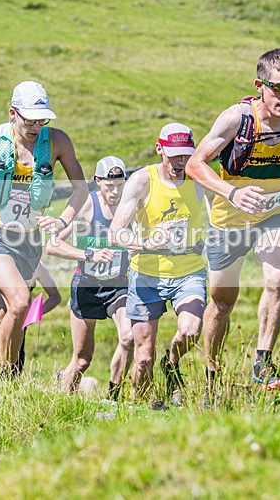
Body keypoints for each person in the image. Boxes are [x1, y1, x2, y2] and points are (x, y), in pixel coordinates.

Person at [186, 48, 280, 396]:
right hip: (229, 219)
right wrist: (231, 193)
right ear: (259, 85)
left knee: (278, 280)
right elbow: (194, 165)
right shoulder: (236, 119)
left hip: (276, 212)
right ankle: (211, 375)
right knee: (222, 301)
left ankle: (262, 361)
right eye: (279, 88)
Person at [0, 80, 88, 371]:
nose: (36, 127)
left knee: (3, 317)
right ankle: (10, 377)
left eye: (42, 120)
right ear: (12, 114)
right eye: (30, 120)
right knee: (21, 302)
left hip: (30, 239)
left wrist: (62, 220)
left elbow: (81, 189)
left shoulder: (58, 141)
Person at [110, 123, 208, 404]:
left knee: (190, 331)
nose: (180, 162)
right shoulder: (142, 180)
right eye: (174, 155)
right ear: (159, 149)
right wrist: (145, 243)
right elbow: (116, 231)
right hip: (146, 273)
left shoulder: (198, 178)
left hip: (188, 270)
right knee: (143, 358)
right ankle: (142, 409)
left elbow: (221, 210)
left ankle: (172, 360)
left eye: (186, 155)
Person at [46, 156, 133, 400]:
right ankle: (63, 401)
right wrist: (89, 254)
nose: (115, 191)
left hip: (118, 286)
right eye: (109, 185)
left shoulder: (131, 206)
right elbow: (53, 246)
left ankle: (113, 397)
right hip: (87, 286)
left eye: (120, 184)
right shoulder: (87, 205)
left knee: (128, 337)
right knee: (83, 359)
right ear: (97, 182)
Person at [12, 261, 62, 375]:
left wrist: (33, 314)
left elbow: (55, 297)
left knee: (15, 365)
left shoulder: (38, 266)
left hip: (19, 323)